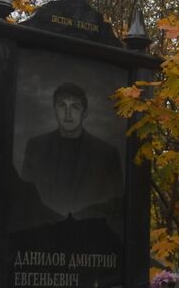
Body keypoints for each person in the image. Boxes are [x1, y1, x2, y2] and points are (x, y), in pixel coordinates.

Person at [18, 81, 123, 218]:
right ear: (54, 109)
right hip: (43, 233)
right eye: (62, 105)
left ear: (84, 113)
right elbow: (25, 200)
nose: (68, 114)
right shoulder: (35, 147)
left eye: (75, 107)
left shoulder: (107, 154)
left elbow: (115, 206)